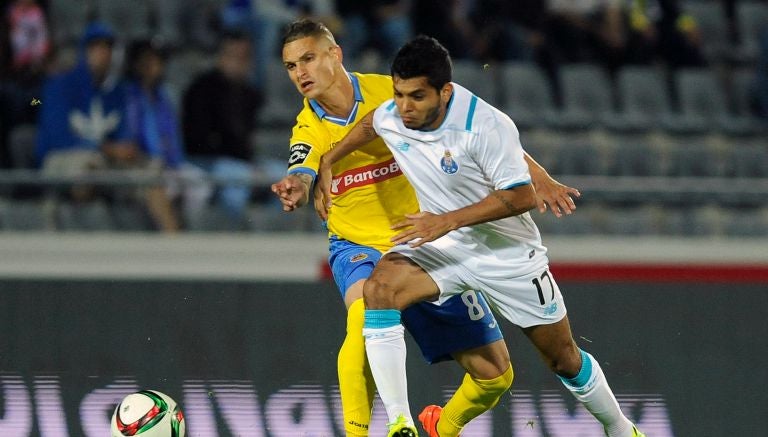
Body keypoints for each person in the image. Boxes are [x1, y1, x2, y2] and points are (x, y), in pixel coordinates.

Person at [316, 35, 645, 437]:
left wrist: (448, 220)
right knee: (380, 289)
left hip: (505, 253)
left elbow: (521, 196)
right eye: (399, 94)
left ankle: (620, 428)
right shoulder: (394, 114)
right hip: (442, 246)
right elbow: (372, 122)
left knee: (564, 360)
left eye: (417, 96)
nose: (405, 106)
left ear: (445, 91)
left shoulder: (484, 125)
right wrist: (330, 158)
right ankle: (400, 422)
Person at [271, 20, 580, 437]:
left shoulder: (394, 92)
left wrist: (538, 175)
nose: (300, 73)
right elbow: (303, 166)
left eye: (308, 58)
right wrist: (300, 183)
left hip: (424, 244)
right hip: (358, 246)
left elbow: (480, 128)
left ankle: (443, 428)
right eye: (291, 66)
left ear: (335, 54)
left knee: (495, 375)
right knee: (365, 316)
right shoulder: (307, 128)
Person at [182, 30, 283, 229]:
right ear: (221, 56)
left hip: (241, 162)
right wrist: (244, 163)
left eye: (245, 57)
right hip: (204, 160)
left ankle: (272, 232)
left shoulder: (249, 93)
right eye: (234, 56)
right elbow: (197, 139)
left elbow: (248, 139)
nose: (239, 63)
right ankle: (236, 239)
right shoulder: (201, 89)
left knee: (285, 178)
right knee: (238, 181)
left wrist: (251, 163)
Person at [123, 38, 211, 230]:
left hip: (171, 163)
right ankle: (165, 234)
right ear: (138, 64)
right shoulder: (129, 95)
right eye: (150, 61)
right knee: (165, 188)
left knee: (200, 185)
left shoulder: (165, 95)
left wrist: (174, 162)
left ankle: (190, 230)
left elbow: (173, 136)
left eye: (158, 61)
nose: (156, 66)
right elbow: (130, 134)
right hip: (145, 162)